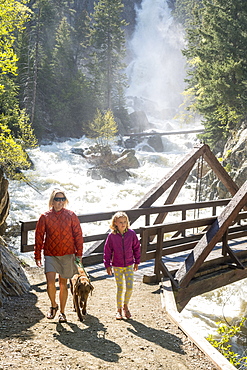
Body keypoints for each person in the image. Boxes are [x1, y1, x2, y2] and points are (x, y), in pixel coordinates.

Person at [34, 188, 83, 323]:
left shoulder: (71, 215)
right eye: (57, 199)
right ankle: (53, 305)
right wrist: (37, 254)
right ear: (52, 201)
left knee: (63, 284)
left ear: (65, 201)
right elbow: (39, 237)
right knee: (50, 282)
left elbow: (78, 235)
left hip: (67, 254)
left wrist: (79, 254)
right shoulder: (45, 217)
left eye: (62, 199)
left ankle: (62, 312)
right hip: (50, 253)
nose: (60, 202)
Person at [103, 211, 141, 320]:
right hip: (117, 265)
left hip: (129, 264)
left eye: (125, 222)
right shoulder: (112, 236)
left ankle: (125, 306)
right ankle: (118, 309)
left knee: (129, 287)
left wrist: (137, 261)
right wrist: (107, 265)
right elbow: (107, 251)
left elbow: (136, 248)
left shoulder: (131, 234)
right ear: (115, 223)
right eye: (120, 222)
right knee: (120, 288)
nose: (123, 224)